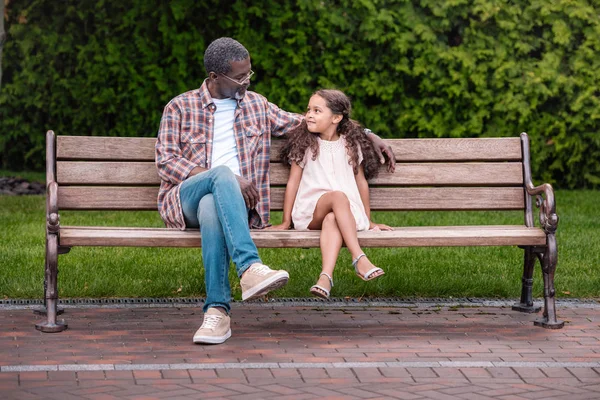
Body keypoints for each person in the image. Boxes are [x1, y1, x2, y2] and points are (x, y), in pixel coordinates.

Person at [155, 38, 395, 344]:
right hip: (185, 198)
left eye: (249, 74)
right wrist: (222, 177)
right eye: (239, 77)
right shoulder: (179, 107)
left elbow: (315, 120)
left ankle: (216, 314)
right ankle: (250, 267)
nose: (247, 82)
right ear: (214, 77)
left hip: (231, 209)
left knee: (212, 208)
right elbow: (166, 161)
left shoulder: (258, 106)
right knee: (220, 179)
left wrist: (369, 134)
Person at [271, 89, 392, 299]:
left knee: (332, 218)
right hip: (310, 211)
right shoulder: (305, 144)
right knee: (337, 196)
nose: (309, 114)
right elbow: (293, 182)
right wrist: (285, 221)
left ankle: (325, 277)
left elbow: (360, 182)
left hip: (345, 213)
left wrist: (368, 220)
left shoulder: (351, 144)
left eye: (317, 111)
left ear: (336, 118)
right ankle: (359, 258)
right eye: (308, 109)